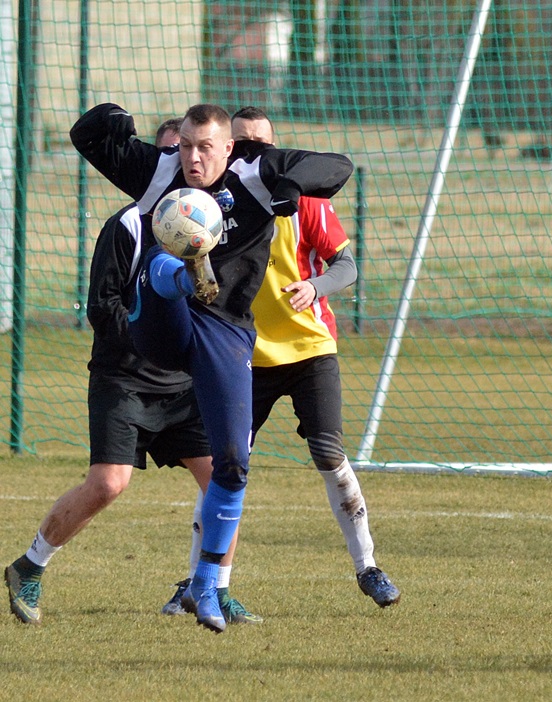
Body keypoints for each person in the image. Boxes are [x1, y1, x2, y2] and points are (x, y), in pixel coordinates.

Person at [68, 102, 353, 633]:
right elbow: (86, 137)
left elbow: (338, 166)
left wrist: (293, 185)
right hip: (160, 325)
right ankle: (187, 272)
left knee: (232, 464)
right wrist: (113, 118)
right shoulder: (160, 169)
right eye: (187, 146)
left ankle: (205, 585)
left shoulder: (257, 171)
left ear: (230, 148)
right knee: (159, 261)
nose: (193, 158)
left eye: (206, 148)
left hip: (224, 332)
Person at [4, 118, 257, 626]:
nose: (182, 167)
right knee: (108, 484)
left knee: (225, 479)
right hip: (124, 378)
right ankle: (28, 566)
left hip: (182, 383)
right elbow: (103, 306)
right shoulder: (127, 225)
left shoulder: (208, 226)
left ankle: (214, 589)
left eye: (191, 154)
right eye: (172, 155)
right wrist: (152, 333)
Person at [159, 107, 399, 613]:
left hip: (310, 348)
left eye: (261, 144)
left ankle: (368, 567)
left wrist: (315, 287)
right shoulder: (202, 206)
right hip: (242, 353)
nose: (253, 152)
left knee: (329, 453)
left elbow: (347, 267)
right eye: (243, 143)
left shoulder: (299, 199)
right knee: (222, 468)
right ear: (229, 149)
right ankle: (197, 583)